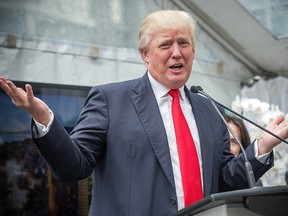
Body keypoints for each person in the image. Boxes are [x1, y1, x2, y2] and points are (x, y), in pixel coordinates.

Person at [1, 10, 288, 216]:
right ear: (145, 54)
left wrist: (262, 146)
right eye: (166, 44)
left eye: (184, 43)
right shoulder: (110, 99)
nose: (177, 53)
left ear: (193, 51)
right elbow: (74, 167)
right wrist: (44, 119)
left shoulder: (207, 106)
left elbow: (224, 181)